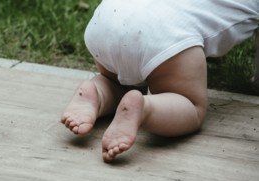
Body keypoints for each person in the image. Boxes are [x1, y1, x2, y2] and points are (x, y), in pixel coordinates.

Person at [61, 0, 259, 162]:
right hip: (165, 32)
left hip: (109, 17)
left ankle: (97, 92)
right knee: (190, 105)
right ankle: (144, 108)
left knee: (117, 82)